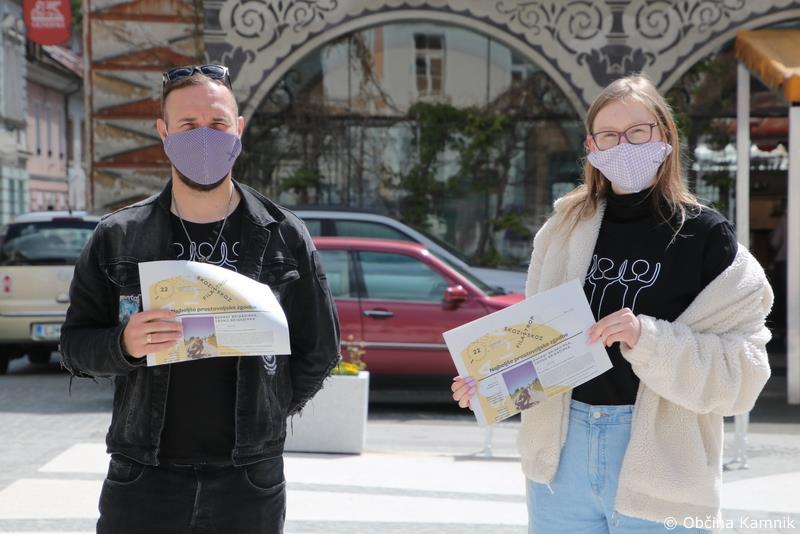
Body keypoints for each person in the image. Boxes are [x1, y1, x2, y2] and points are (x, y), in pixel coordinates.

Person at [452, 74, 773, 534]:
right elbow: (538, 345)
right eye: (608, 135)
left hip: (662, 461)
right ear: (591, 146)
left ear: (664, 135)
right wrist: (489, 383)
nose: (623, 145)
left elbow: (744, 373)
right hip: (561, 459)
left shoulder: (706, 236)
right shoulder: (563, 231)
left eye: (638, 131)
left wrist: (649, 339)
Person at [60, 64, 341, 534]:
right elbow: (74, 347)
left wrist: (270, 406)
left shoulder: (284, 235)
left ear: (238, 130)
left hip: (248, 481)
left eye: (217, 124)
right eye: (188, 125)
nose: (204, 137)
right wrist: (123, 345)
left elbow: (320, 349)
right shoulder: (118, 236)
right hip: (143, 476)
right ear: (164, 133)